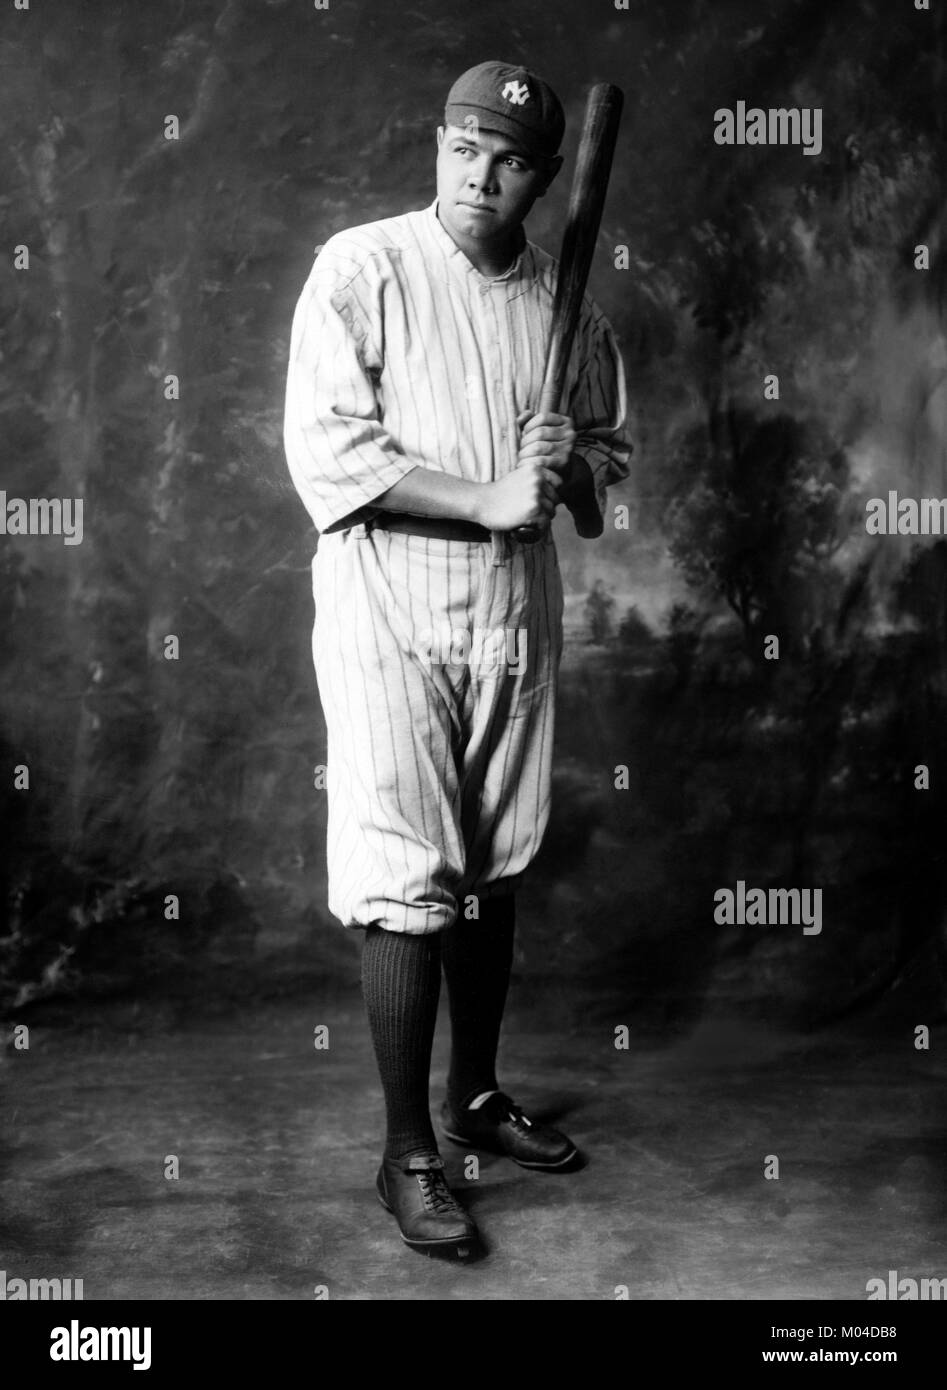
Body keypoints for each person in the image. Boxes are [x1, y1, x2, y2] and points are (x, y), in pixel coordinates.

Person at [284, 59, 632, 1257]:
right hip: (388, 610)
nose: (479, 175)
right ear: (437, 143)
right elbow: (331, 457)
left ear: (542, 178)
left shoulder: (565, 305)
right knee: (405, 869)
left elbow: (598, 480)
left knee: (493, 862)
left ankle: (474, 1097)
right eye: (462, 147)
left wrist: (567, 469)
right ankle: (406, 1152)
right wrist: (487, 494)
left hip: (509, 617)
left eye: (509, 160)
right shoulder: (361, 266)